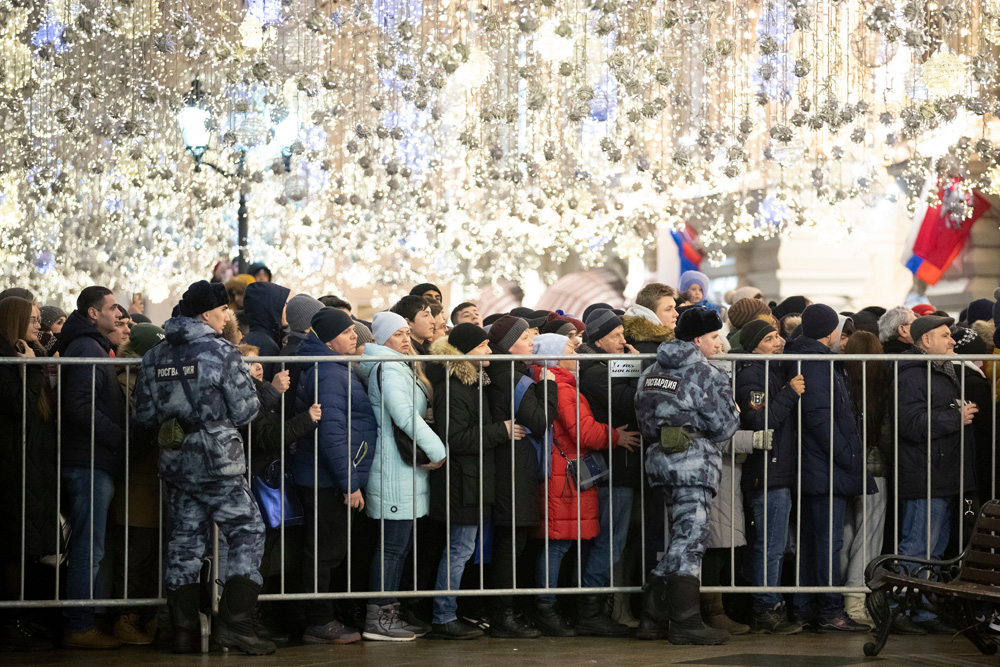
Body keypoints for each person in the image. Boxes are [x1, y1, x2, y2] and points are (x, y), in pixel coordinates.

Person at [132, 280, 274, 655]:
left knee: (184, 542)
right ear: (207, 313)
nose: (227, 314)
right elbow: (246, 410)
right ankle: (236, 624)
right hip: (217, 460)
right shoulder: (222, 351)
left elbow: (144, 414)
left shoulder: (154, 356)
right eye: (223, 309)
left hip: (176, 459)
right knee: (247, 529)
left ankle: (181, 632)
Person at [634, 307, 740, 645]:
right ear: (697, 339)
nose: (718, 343)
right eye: (712, 337)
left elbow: (644, 419)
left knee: (680, 538)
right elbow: (724, 426)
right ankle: (685, 621)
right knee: (691, 541)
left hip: (659, 461)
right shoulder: (706, 374)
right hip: (694, 464)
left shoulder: (650, 370)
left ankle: (652, 617)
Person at [526, 333, 632, 637]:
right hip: (565, 478)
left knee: (562, 543)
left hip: (566, 476)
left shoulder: (559, 384)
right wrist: (614, 435)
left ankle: (558, 607)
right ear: (556, 356)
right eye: (571, 348)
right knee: (557, 545)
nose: (577, 353)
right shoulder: (562, 388)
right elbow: (583, 431)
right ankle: (548, 607)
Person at [359, 311, 446, 641]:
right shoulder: (389, 368)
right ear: (381, 339)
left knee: (397, 549)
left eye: (406, 333)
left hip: (400, 470)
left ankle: (388, 614)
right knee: (392, 550)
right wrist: (437, 450)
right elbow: (406, 416)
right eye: (397, 335)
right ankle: (379, 619)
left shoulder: (397, 366)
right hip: (393, 471)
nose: (405, 339)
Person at [292, 307, 376, 645]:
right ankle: (318, 621)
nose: (354, 334)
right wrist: (350, 483)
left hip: (325, 475)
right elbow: (332, 432)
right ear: (328, 341)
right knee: (323, 553)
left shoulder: (331, 367)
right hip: (324, 478)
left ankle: (321, 616)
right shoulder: (327, 372)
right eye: (346, 332)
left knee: (327, 551)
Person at [784, 304, 869, 633]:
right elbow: (820, 418)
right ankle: (830, 610)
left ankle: (805, 609)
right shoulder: (818, 363)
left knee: (810, 543)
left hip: (813, 469)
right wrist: (847, 455)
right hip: (824, 469)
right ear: (830, 332)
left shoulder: (807, 357)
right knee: (825, 545)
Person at [892, 315, 976, 635]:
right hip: (926, 476)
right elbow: (911, 423)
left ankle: (923, 612)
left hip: (941, 475)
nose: (952, 341)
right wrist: (955, 416)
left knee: (933, 551)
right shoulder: (913, 374)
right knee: (918, 548)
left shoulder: (938, 370)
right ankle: (901, 609)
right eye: (945, 336)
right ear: (925, 341)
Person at [424, 324, 507, 640]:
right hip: (462, 482)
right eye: (483, 346)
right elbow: (455, 438)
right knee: (458, 550)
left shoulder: (470, 382)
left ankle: (447, 613)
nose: (489, 352)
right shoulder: (456, 386)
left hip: (471, 480)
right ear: (467, 351)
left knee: (461, 549)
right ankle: (444, 616)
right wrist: (500, 430)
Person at [57, 286, 128, 649]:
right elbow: (80, 406)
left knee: (90, 547)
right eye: (113, 308)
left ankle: (83, 622)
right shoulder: (86, 348)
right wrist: (120, 437)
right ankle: (80, 625)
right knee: (89, 549)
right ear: (92, 313)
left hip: (91, 459)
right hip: (88, 462)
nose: (120, 314)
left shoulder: (90, 345)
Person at [483, 315, 557, 639]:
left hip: (513, 465)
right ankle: (504, 616)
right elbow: (540, 421)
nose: (532, 343)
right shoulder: (513, 379)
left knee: (513, 542)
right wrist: (549, 386)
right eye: (526, 337)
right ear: (512, 344)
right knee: (511, 544)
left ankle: (508, 612)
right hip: (514, 469)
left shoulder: (504, 373)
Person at [575, 309, 642, 635]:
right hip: (612, 469)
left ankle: (594, 606)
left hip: (619, 467)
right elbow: (630, 402)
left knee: (611, 540)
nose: (623, 340)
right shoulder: (595, 372)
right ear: (598, 339)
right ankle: (590, 609)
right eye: (616, 335)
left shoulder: (604, 367)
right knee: (609, 541)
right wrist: (639, 368)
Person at [735, 319, 804, 635]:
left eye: (778, 335)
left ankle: (769, 603)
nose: (779, 341)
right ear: (753, 346)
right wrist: (790, 393)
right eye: (770, 338)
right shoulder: (752, 375)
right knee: (770, 545)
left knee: (775, 544)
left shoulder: (773, 371)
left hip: (777, 471)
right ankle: (766, 607)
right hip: (766, 473)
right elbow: (761, 420)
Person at [0, 297, 57, 651]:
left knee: (27, 546)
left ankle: (22, 616)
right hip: (11, 463)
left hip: (31, 463)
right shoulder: (9, 361)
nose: (39, 325)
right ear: (14, 321)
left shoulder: (28, 354)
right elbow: (17, 404)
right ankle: (10, 621)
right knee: (12, 545)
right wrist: (32, 368)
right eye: (32, 320)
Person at [108, 323, 166, 647]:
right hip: (137, 482)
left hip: (152, 481)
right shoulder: (126, 382)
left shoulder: (143, 380)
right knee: (134, 555)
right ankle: (125, 618)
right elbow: (135, 433)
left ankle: (139, 616)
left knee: (147, 554)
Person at [840, 331, 891, 627]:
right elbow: (885, 433)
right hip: (874, 466)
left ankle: (840, 598)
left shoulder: (841, 380)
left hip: (844, 464)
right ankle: (856, 600)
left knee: (845, 534)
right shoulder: (883, 383)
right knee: (868, 535)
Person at [242, 282, 290, 382]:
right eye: (283, 304)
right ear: (271, 308)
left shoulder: (259, 337)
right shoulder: (264, 343)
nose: (286, 307)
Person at [623, 283, 678, 356]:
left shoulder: (664, 342)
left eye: (674, 308)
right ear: (650, 314)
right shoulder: (643, 349)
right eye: (668, 309)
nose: (676, 314)